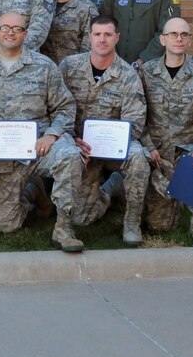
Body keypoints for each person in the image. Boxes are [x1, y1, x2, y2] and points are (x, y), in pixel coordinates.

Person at [0, 12, 86, 252]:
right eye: (4, 27)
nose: (10, 32)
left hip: (40, 148)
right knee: (3, 225)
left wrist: (52, 135)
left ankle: (64, 229)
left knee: (69, 156)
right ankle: (34, 190)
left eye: (17, 28)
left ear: (25, 34)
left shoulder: (44, 66)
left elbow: (65, 107)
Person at [59, 16, 150, 245]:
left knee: (138, 157)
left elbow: (135, 121)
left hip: (114, 145)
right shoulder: (69, 67)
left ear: (116, 38)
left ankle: (131, 223)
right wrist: (73, 140)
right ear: (89, 37)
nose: (102, 39)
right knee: (82, 218)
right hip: (78, 145)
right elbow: (54, 107)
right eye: (97, 34)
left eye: (108, 34)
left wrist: (107, 143)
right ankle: (111, 188)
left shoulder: (129, 75)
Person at [140, 18, 193, 247]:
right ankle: (123, 187)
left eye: (184, 34)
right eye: (173, 34)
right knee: (160, 226)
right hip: (158, 152)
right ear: (162, 39)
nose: (179, 38)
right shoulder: (147, 72)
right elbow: (138, 115)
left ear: (190, 39)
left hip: (190, 147)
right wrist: (148, 146)